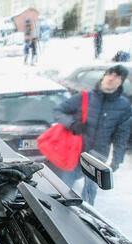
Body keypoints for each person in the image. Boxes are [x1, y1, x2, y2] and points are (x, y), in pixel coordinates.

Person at [52, 65, 132, 205]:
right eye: (109, 74)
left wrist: (116, 161)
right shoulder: (84, 97)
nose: (111, 78)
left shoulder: (124, 106)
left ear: (121, 82)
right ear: (103, 77)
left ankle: (84, 220)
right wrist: (71, 123)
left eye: (116, 76)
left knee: (89, 195)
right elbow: (58, 111)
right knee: (64, 190)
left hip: (98, 157)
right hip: (75, 153)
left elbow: (121, 137)